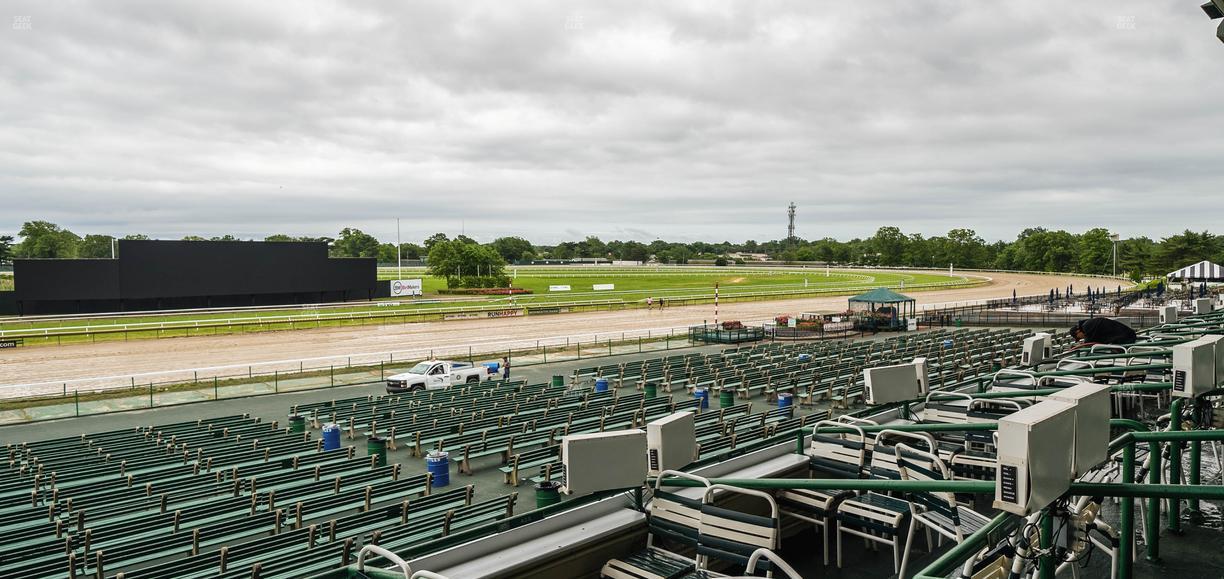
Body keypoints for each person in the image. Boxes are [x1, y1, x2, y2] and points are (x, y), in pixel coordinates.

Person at [1069, 318, 1136, 346]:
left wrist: (1082, 345)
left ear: (1078, 331)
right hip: (1127, 336)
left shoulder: (1086, 326)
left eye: (1078, 337)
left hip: (1126, 338)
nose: (1081, 338)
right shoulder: (1088, 323)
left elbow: (1090, 341)